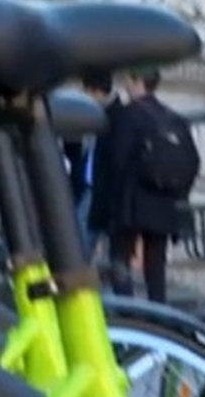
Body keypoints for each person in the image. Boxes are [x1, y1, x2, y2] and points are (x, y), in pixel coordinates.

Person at [106, 68, 198, 303]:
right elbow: (193, 161)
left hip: (133, 201)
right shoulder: (173, 117)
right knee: (156, 264)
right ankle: (159, 311)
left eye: (129, 78)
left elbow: (117, 159)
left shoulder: (130, 114)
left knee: (120, 256)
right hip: (165, 201)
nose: (125, 83)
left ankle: (126, 308)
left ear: (137, 81)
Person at [70, 71, 113, 254]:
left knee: (81, 245)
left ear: (95, 91)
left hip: (97, 190)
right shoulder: (90, 118)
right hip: (89, 188)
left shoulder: (111, 118)